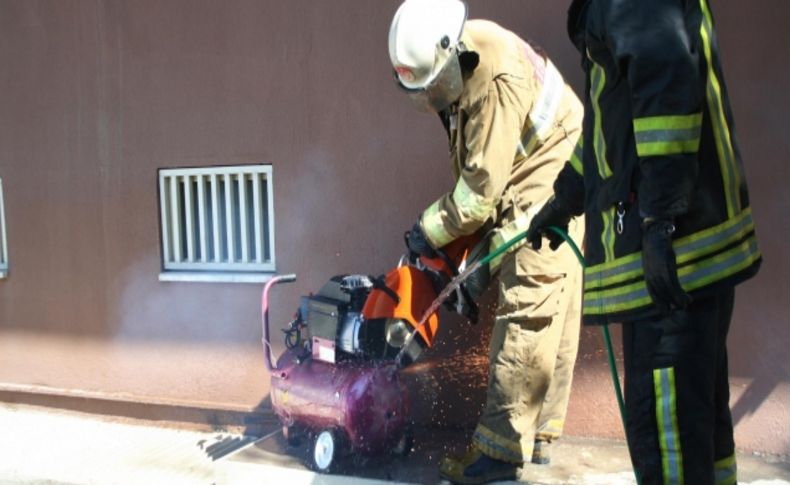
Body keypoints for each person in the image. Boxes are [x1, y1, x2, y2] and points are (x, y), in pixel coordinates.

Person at [527, 1, 762, 484]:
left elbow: (666, 95)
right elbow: (612, 118)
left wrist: (659, 221)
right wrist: (566, 197)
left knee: (667, 438)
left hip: (670, 266)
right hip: (686, 255)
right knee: (700, 428)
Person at [388, 1, 586, 483]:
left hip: (551, 168)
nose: (432, 97)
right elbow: (484, 178)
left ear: (449, 55)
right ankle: (540, 433)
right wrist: (472, 267)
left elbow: (478, 196)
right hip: (534, 162)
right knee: (554, 297)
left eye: (432, 85)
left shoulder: (491, 81)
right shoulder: (457, 58)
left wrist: (427, 230)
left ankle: (497, 452)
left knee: (532, 295)